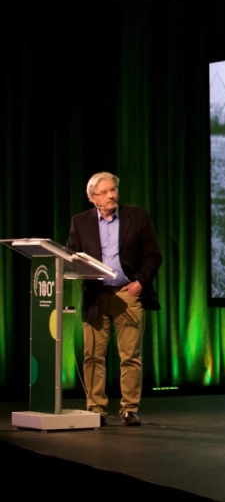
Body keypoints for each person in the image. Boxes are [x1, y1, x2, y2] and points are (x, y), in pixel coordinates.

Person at [66, 172, 162, 427]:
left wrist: (140, 282)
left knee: (130, 356)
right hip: (96, 296)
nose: (112, 195)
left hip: (127, 295)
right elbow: (71, 256)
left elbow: (153, 255)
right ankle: (96, 408)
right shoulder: (80, 222)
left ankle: (129, 408)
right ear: (92, 197)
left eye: (114, 190)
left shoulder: (137, 217)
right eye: (105, 192)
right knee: (93, 357)